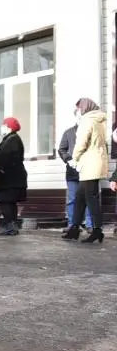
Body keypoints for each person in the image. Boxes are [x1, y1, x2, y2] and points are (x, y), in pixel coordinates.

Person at [62, 98, 109, 243]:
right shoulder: (99, 120)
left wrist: (75, 158)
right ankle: (75, 228)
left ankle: (97, 230)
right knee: (80, 197)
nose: (79, 111)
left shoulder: (87, 120)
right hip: (96, 162)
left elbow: (81, 142)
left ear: (85, 108)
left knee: (91, 198)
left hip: (89, 164)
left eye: (79, 108)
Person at [0, 117, 27, 236]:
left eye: (3, 125)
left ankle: (10, 226)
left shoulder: (12, 139)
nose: (1, 128)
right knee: (9, 202)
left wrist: (3, 170)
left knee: (5, 201)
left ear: (9, 127)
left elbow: (9, 158)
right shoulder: (11, 139)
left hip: (10, 178)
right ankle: (11, 226)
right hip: (11, 178)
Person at [58, 119, 93, 232]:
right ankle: (72, 224)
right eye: (78, 115)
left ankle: (90, 224)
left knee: (89, 198)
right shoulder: (68, 132)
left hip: (88, 171)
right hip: (72, 172)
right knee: (72, 199)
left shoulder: (92, 132)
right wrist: (68, 159)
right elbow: (62, 149)